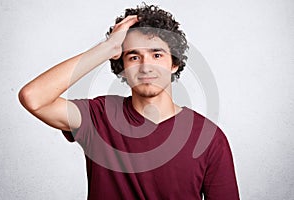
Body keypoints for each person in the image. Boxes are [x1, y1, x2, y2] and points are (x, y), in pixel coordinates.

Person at [19, 4, 240, 200]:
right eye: (134, 57)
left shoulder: (209, 138)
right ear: (122, 68)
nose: (146, 67)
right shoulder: (99, 116)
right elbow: (34, 98)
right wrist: (107, 48)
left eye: (157, 55)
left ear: (174, 63)